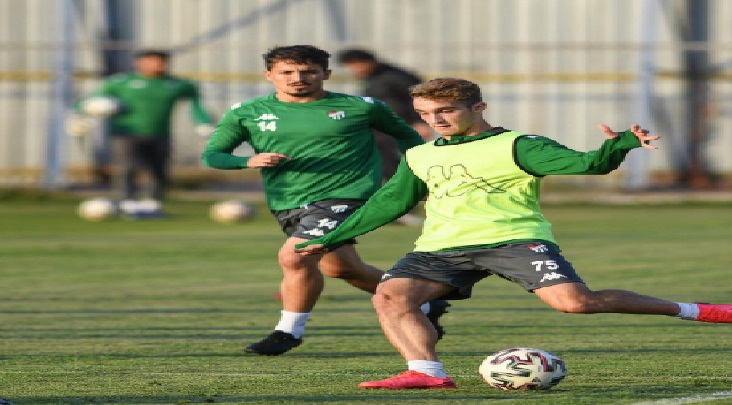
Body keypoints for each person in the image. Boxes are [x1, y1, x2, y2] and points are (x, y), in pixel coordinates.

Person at [295, 77, 732, 389]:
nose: (436, 119)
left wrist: (621, 145)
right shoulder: (421, 154)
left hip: (514, 239)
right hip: (441, 246)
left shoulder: (518, 145)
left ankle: (701, 310)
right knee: (390, 295)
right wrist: (333, 236)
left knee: (576, 304)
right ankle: (426, 371)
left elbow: (587, 165)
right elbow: (391, 202)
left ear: (478, 107)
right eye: (426, 112)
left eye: (446, 110)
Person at [200, 45, 450, 356]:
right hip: (287, 200)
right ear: (269, 75)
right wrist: (246, 161)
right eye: (287, 72)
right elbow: (213, 155)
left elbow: (408, 138)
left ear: (326, 74)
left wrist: (423, 176)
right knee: (343, 269)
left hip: (346, 195)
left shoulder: (361, 107)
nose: (298, 78)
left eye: (308, 71)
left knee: (295, 256)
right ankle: (424, 302)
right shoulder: (246, 112)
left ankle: (288, 331)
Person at [71, 50, 214, 218]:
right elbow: (87, 102)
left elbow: (196, 104)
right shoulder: (121, 83)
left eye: (161, 62)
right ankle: (128, 203)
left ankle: (153, 204)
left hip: (160, 133)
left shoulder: (178, 84)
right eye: (152, 61)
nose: (157, 65)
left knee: (158, 170)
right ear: (139, 63)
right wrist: (80, 114)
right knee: (127, 168)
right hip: (126, 134)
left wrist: (204, 123)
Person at [338, 48, 431, 226]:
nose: (355, 70)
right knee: (385, 166)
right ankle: (398, 208)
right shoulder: (371, 78)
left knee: (401, 167)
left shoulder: (398, 77)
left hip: (400, 127)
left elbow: (421, 99)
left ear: (369, 61)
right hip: (380, 129)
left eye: (356, 65)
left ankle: (409, 207)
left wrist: (420, 121)